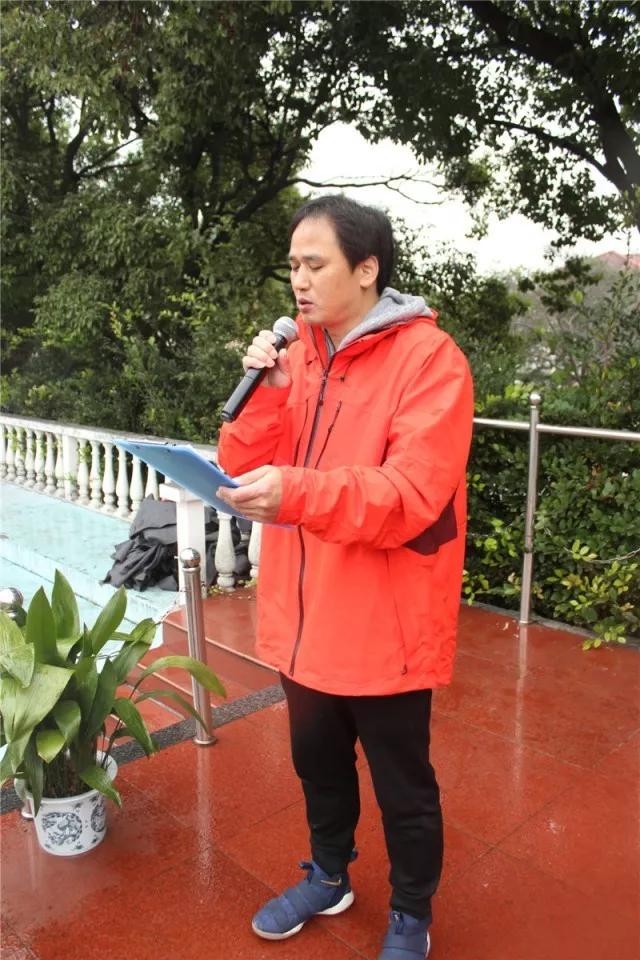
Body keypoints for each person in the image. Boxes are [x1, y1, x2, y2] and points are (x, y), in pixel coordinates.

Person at [217, 194, 474, 960]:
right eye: (292, 265)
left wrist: (296, 493)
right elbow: (239, 462)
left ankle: (411, 915)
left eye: (315, 263)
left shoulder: (430, 362)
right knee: (318, 768)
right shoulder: (296, 356)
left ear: (366, 270)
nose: (298, 280)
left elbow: (409, 496)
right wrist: (265, 392)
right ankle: (329, 875)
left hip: (383, 626)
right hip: (303, 621)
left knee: (404, 788)